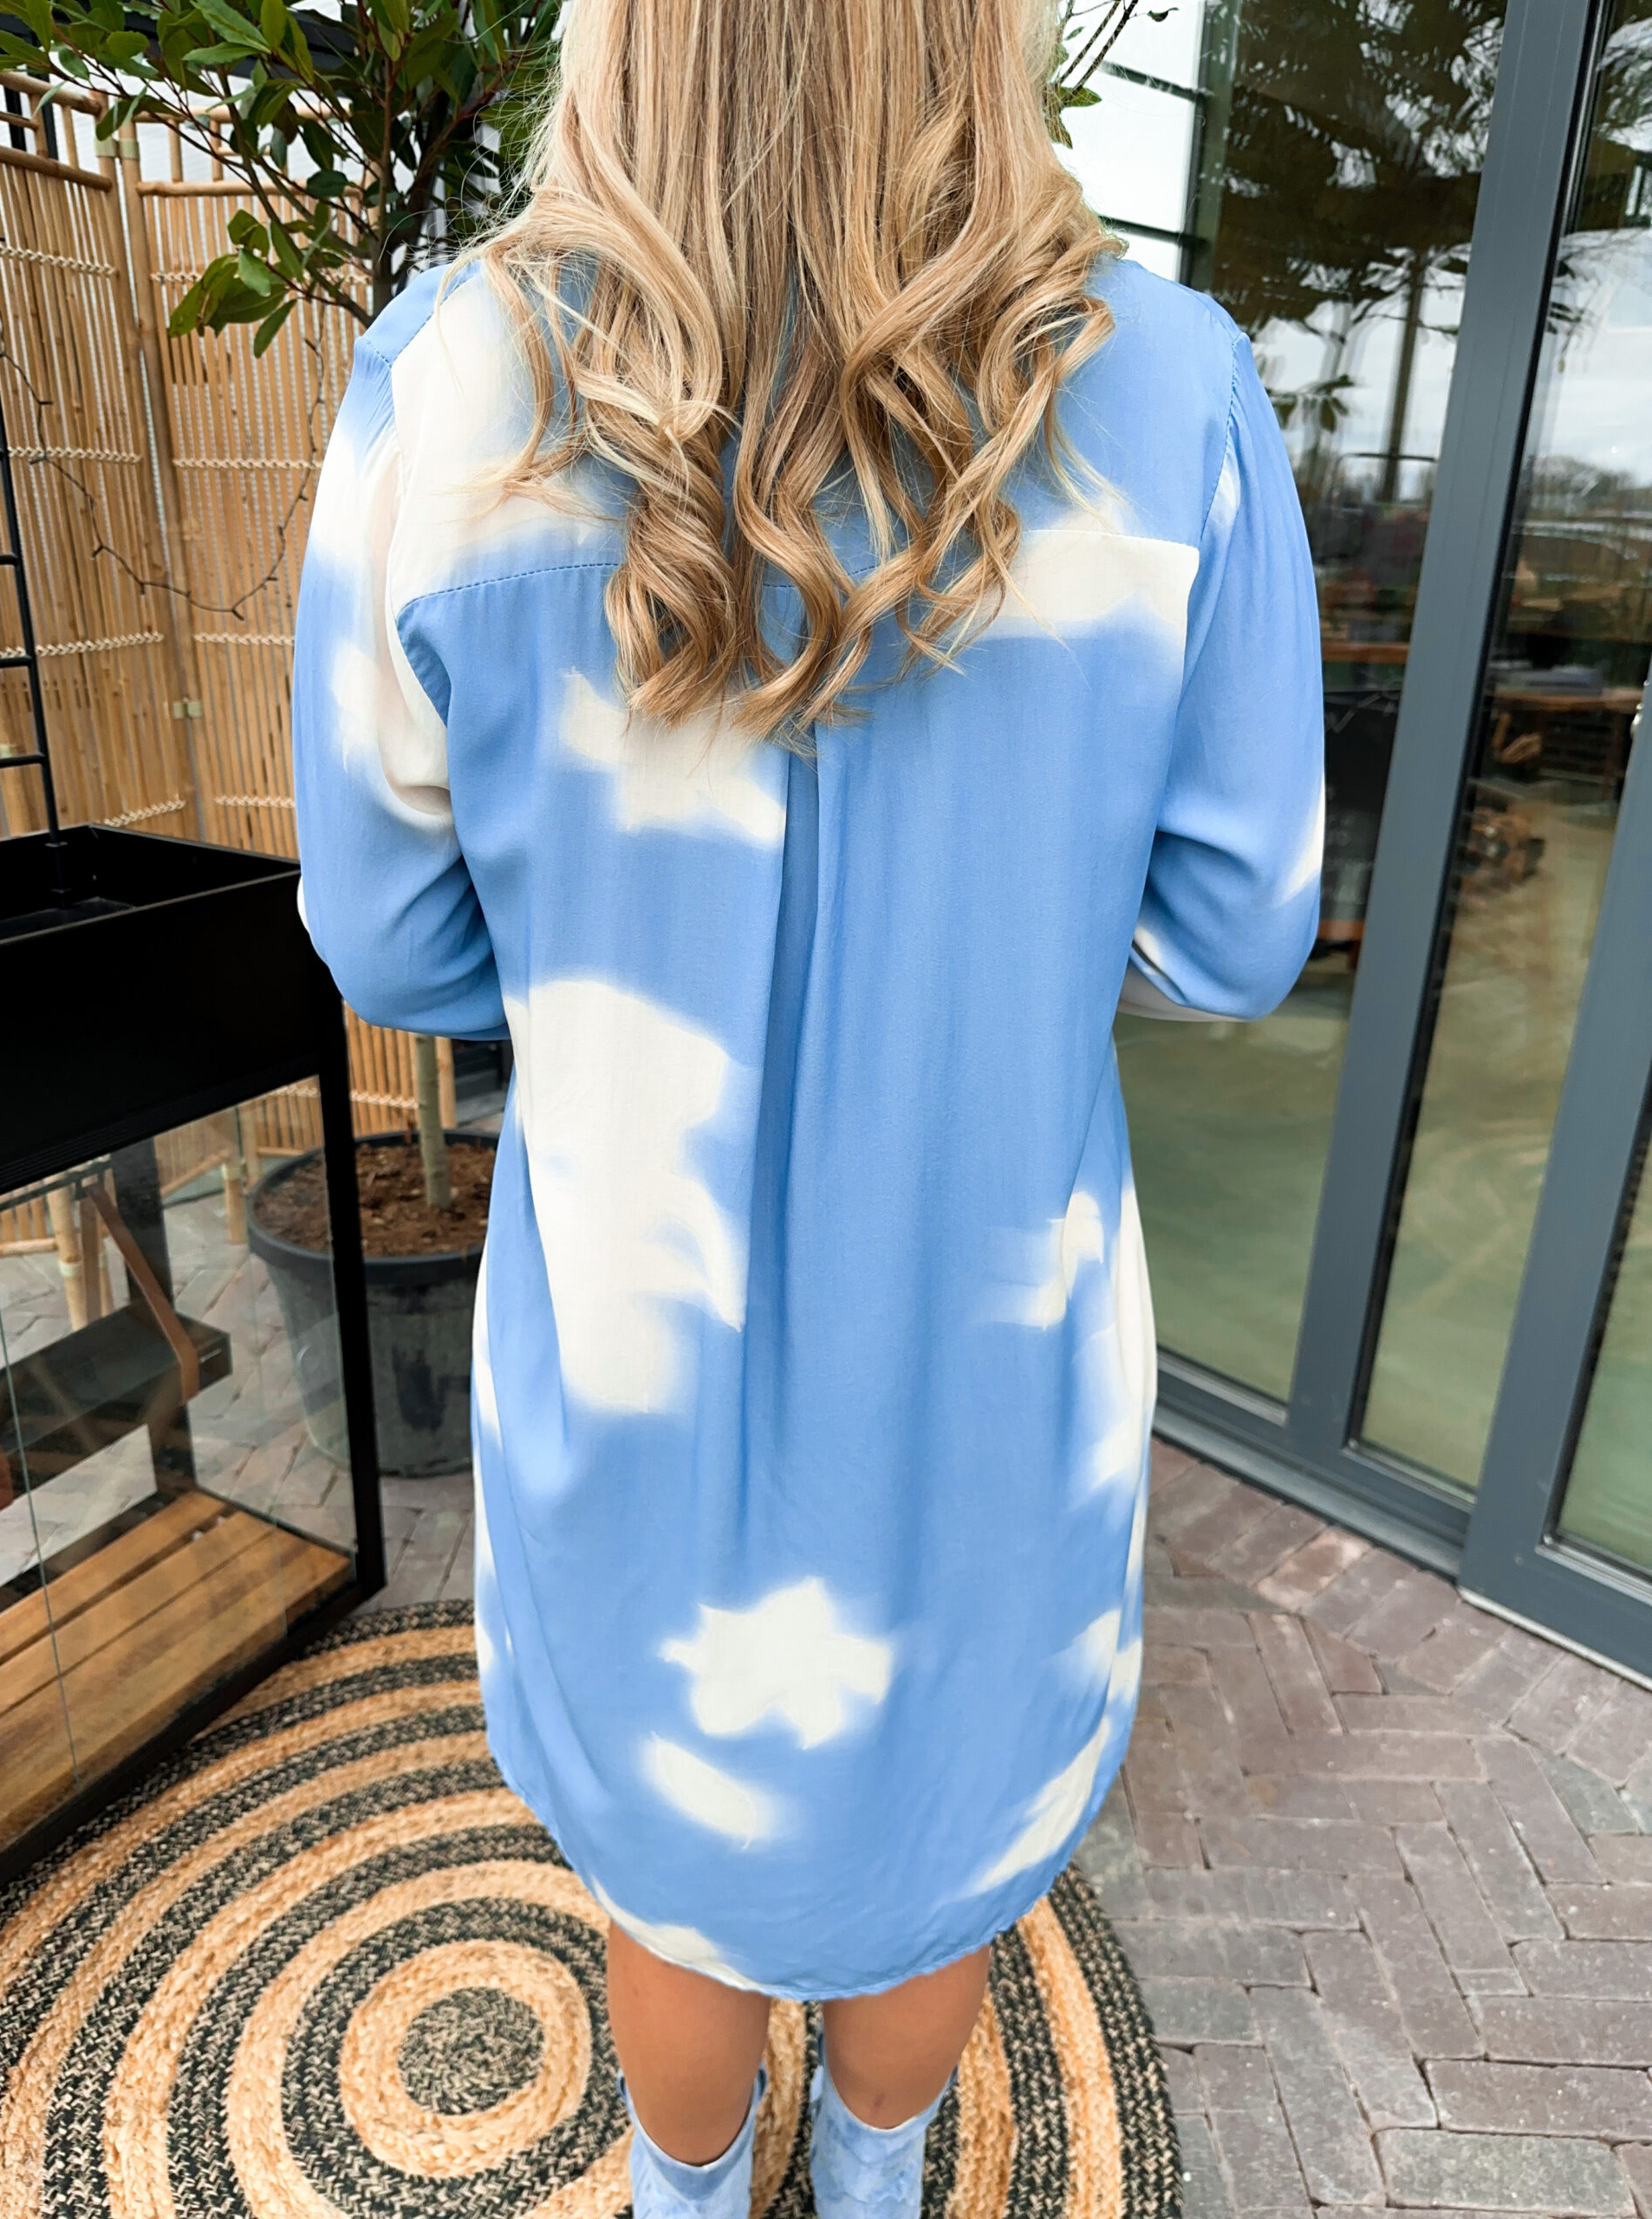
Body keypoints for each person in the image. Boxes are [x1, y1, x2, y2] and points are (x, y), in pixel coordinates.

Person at [290, 0, 1324, 2209]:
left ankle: (682, 2195)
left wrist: (595, 979)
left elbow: (386, 937)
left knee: (672, 1854)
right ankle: (872, 2175)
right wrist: (1018, 965)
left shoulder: (451, 386)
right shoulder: (1172, 391)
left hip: (627, 1335)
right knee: (938, 1814)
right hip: (996, 1348)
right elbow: (1241, 933)